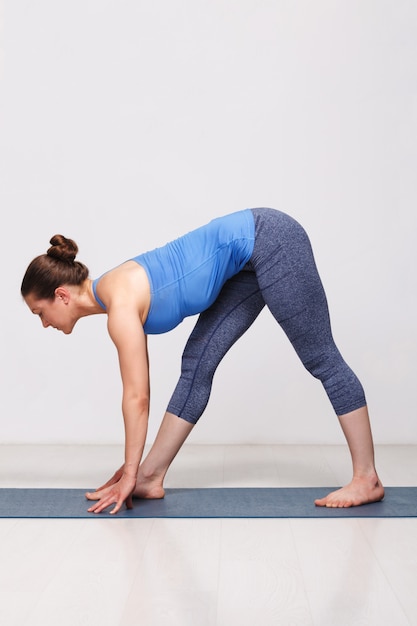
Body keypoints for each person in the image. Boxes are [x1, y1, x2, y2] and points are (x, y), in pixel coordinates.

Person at [21, 207, 384, 514]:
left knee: (320, 357)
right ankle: (151, 477)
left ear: (61, 295)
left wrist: (127, 471)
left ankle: (366, 477)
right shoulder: (113, 294)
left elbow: (137, 398)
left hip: (271, 239)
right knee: (197, 364)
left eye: (40, 312)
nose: (44, 323)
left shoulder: (119, 305)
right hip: (245, 263)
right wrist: (136, 472)